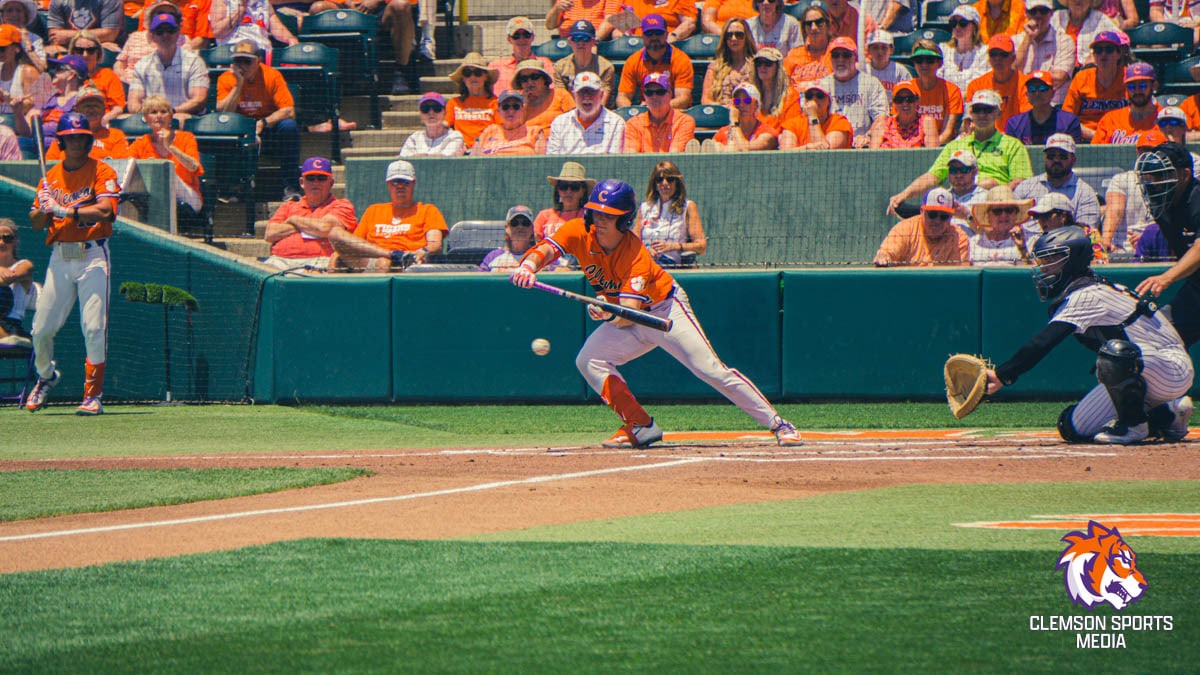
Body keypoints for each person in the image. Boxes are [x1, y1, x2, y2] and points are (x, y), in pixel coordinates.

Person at [509, 178, 802, 449]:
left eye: (607, 216)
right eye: (595, 214)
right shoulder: (577, 231)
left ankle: (778, 424)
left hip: (664, 311)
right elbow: (546, 249)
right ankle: (640, 425)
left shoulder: (636, 255)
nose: (599, 221)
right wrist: (528, 266)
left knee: (710, 369)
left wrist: (608, 314)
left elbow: (628, 315)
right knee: (589, 360)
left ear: (623, 221)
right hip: (625, 311)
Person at [985, 225, 1194, 444]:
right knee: (1072, 428)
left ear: (1072, 260)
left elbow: (1045, 341)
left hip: (1169, 367)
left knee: (1114, 355)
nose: (1044, 268)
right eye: (1043, 261)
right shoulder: (1087, 288)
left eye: (1051, 259)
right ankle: (1168, 416)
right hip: (1146, 369)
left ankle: (1135, 427)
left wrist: (1002, 375)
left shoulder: (1089, 294)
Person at [24, 112, 119, 415]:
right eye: (70, 137)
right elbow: (36, 221)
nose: (76, 141)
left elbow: (106, 211)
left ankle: (93, 395)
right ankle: (46, 376)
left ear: (89, 141)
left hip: (93, 254)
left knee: (93, 327)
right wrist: (46, 208)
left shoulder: (102, 170)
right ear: (62, 142)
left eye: (81, 136)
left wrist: (66, 212)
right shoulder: (50, 177)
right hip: (61, 256)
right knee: (40, 329)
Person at [887, 90, 1032, 215]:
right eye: (977, 109)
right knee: (938, 195)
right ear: (971, 113)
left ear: (998, 114)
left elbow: (1021, 181)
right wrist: (904, 195)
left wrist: (998, 190)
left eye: (987, 110)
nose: (981, 114)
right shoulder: (956, 145)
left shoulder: (1012, 145)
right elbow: (933, 176)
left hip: (994, 206)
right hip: (958, 199)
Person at [215, 39, 300, 200]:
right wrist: (238, 85)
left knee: (289, 127)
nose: (242, 66)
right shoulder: (226, 78)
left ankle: (291, 186)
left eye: (247, 61)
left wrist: (263, 123)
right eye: (238, 61)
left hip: (268, 127)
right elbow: (225, 115)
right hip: (240, 128)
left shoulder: (272, 75)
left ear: (258, 60)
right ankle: (233, 187)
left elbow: (289, 110)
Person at [1134, 143, 1200, 347]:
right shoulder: (1161, 204)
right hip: (1197, 290)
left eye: (1161, 176)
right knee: (1152, 336)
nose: (1153, 183)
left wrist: (1167, 277)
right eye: (1150, 177)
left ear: (1185, 175)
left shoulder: (1197, 198)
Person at [331, 159, 447, 272]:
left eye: (405, 182)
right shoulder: (373, 210)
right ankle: (392, 254)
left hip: (406, 264)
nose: (400, 186)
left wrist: (421, 252)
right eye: (395, 182)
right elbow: (356, 243)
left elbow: (435, 244)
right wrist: (390, 254)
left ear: (413, 183)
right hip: (370, 260)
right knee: (335, 239)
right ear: (388, 184)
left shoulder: (428, 210)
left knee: (384, 262)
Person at [261, 156, 357, 271]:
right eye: (310, 178)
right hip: (279, 260)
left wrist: (294, 220)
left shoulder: (341, 205)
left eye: (321, 178)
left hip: (319, 261)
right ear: (302, 182)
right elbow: (270, 234)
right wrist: (310, 226)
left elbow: (325, 228)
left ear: (331, 183)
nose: (316, 182)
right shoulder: (288, 206)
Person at [125, 94, 204, 225]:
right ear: (146, 118)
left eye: (163, 111)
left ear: (171, 116)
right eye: (153, 112)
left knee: (164, 170)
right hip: (153, 198)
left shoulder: (186, 137)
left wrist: (170, 146)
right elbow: (126, 169)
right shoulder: (141, 143)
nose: (159, 116)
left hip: (189, 198)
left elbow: (194, 166)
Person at [125, 11, 209, 117]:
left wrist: (170, 112)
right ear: (152, 36)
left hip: (182, 115)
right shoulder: (142, 64)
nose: (165, 35)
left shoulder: (194, 62)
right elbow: (133, 103)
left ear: (178, 32)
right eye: (159, 32)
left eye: (170, 30)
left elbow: (198, 100)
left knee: (180, 118)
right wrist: (153, 114)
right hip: (152, 118)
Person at [1013, 133, 1101, 231]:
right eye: (1051, 156)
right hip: (1024, 243)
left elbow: (1085, 232)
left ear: (1073, 160)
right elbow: (1010, 222)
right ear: (1045, 158)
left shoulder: (1085, 193)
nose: (1056, 160)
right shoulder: (1025, 187)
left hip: (1065, 244)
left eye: (1063, 156)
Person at [1103, 129, 1167, 256]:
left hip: (1159, 247)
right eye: (1144, 150)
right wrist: (1106, 240)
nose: (1148, 155)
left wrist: (1148, 238)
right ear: (1137, 152)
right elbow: (1114, 211)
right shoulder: (1121, 179)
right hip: (1124, 249)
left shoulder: (1170, 179)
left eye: (1154, 151)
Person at [634, 161, 706, 267]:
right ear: (654, 184)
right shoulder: (644, 208)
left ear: (677, 182)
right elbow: (633, 243)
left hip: (671, 266)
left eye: (670, 179)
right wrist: (646, 251)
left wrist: (673, 246)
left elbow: (701, 246)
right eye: (659, 180)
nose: (665, 183)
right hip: (645, 262)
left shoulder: (688, 207)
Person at [874, 187, 970, 266]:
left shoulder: (959, 238)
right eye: (932, 214)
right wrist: (883, 256)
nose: (937, 221)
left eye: (944, 216)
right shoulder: (906, 228)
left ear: (950, 217)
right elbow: (887, 253)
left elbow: (957, 279)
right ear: (922, 211)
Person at [615, 14, 694, 110]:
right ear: (642, 36)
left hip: (674, 114)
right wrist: (634, 113)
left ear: (666, 34)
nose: (654, 37)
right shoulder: (633, 61)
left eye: (658, 33)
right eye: (649, 34)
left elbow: (682, 100)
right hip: (644, 115)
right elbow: (622, 97)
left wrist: (655, 107)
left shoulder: (681, 60)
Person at [820, 36, 886, 147]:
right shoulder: (822, 85)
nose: (840, 60)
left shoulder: (871, 83)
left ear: (855, 58)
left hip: (861, 146)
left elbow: (881, 118)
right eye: (836, 55)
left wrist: (869, 136)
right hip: (831, 145)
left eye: (846, 55)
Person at [11, 54, 88, 149]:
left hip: (66, 148)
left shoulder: (83, 99)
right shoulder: (47, 99)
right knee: (18, 141)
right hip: (39, 146)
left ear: (71, 75)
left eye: (59, 68)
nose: (53, 72)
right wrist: (18, 113)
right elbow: (26, 132)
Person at [1062, 31, 1127, 142]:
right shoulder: (1081, 78)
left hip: (1121, 138)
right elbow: (1067, 118)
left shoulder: (1128, 77)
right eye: (1098, 50)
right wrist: (1096, 136)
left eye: (1109, 49)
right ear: (1093, 55)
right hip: (1085, 138)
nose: (1103, 54)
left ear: (1119, 54)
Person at [1013, 0, 1074, 106]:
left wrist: (1024, 81)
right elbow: (1012, 73)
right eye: (1033, 11)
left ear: (1051, 13)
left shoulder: (1064, 41)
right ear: (1026, 13)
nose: (1038, 15)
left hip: (1054, 106)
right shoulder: (1016, 41)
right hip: (1021, 105)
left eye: (1043, 11)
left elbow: (1059, 77)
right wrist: (1028, 38)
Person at [547, 71, 625, 154]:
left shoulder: (616, 123)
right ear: (573, 95)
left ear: (601, 94)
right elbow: (552, 160)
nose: (587, 97)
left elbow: (615, 162)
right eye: (582, 92)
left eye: (592, 92)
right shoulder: (560, 122)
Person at [965, 34, 1029, 131]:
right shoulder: (976, 85)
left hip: (1015, 137)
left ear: (1013, 58)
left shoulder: (1025, 83)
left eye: (1003, 55)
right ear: (988, 58)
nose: (998, 59)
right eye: (993, 54)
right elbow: (969, 122)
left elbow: (1025, 121)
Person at [45, 85, 128, 160]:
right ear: (76, 111)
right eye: (86, 106)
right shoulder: (64, 136)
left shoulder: (116, 136)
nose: (91, 110)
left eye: (96, 106)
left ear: (104, 110)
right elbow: (50, 166)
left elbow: (121, 166)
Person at [113, 1, 184, 84]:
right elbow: (120, 63)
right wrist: (122, 76)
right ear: (150, 17)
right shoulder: (135, 37)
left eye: (171, 14)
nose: (166, 16)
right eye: (160, 13)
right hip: (130, 84)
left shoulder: (182, 40)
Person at [623, 71, 695, 153]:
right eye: (649, 93)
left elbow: (675, 157)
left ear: (670, 94)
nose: (654, 97)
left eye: (660, 92)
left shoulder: (684, 122)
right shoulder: (633, 124)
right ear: (644, 96)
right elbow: (631, 157)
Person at [908, 39, 963, 145]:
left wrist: (929, 150)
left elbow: (948, 132)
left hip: (939, 147)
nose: (924, 65)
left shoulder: (952, 90)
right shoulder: (906, 90)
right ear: (914, 63)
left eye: (929, 60)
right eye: (919, 60)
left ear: (940, 63)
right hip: (910, 147)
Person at [1004, 70, 1082, 145]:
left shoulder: (1069, 121)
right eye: (1032, 89)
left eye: (1043, 89)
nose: (1037, 94)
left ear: (1053, 93)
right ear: (1026, 94)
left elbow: (1074, 155)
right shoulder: (1014, 124)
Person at [479, 205, 565, 272]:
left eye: (525, 223)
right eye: (515, 223)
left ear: (532, 229)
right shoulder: (493, 256)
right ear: (507, 227)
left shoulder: (541, 254)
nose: (520, 227)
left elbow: (564, 271)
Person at [1092, 62, 1161, 145]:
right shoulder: (1110, 120)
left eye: (1143, 85)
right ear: (1126, 89)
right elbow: (1096, 154)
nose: (1137, 91)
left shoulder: (1165, 119)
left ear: (1154, 86)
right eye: (1131, 87)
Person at [488, 17, 555, 98]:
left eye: (526, 35)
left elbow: (552, 91)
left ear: (532, 37)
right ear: (509, 39)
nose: (522, 39)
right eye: (516, 36)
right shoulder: (496, 66)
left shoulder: (545, 63)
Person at [444, 53, 498, 153]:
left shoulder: (496, 103)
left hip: (487, 150)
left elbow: (501, 130)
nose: (473, 77)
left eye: (477, 72)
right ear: (463, 79)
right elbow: (444, 126)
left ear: (485, 76)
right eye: (467, 73)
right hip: (459, 150)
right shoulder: (454, 103)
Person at [703, 81, 778, 151]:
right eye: (737, 101)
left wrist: (734, 123)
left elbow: (745, 150)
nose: (741, 105)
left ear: (756, 105)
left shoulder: (767, 133)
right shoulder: (723, 132)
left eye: (747, 101)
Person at [67, 31, 124, 123]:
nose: (85, 55)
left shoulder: (108, 75)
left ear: (98, 53)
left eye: (90, 50)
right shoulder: (65, 75)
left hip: (100, 122)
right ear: (73, 52)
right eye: (79, 50)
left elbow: (117, 108)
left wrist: (101, 122)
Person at [967, 184, 1030, 265]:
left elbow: (1036, 273)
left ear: (1016, 214)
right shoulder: (974, 243)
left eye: (1009, 210)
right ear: (988, 216)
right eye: (997, 211)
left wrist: (1023, 249)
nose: (1003, 215)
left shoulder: (1028, 240)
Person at [551, 19, 616, 97]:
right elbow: (562, 98)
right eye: (576, 38)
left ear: (594, 42)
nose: (581, 43)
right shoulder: (560, 67)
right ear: (570, 42)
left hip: (597, 107)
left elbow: (602, 99)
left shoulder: (605, 67)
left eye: (586, 39)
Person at [473, 89, 548, 156]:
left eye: (516, 107)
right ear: (499, 110)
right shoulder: (490, 131)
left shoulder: (534, 132)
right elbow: (472, 159)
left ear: (522, 109)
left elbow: (541, 163)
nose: (511, 111)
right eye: (505, 107)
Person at [779, 80, 851, 149]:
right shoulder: (793, 123)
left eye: (819, 96)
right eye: (809, 96)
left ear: (829, 101)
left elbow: (824, 154)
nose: (814, 99)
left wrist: (812, 116)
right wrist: (807, 148)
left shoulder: (839, 122)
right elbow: (785, 154)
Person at [208, 0, 298, 55]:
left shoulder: (263, 1)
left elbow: (276, 27)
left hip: (261, 52)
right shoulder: (221, 1)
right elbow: (218, 32)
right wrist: (241, 9)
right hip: (233, 53)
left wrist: (291, 39)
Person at [702, 17, 757, 106]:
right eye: (729, 35)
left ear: (747, 37)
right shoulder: (714, 67)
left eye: (739, 35)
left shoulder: (757, 66)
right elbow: (705, 100)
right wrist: (724, 108)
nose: (733, 38)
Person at [868, 79, 938, 148]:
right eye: (899, 100)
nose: (905, 103)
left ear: (917, 101)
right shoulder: (883, 125)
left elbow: (933, 154)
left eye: (909, 99)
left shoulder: (926, 123)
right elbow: (873, 156)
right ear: (894, 103)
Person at [536, 160, 594, 244]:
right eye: (564, 186)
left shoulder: (589, 216)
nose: (568, 191)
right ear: (558, 190)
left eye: (574, 187)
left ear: (583, 191)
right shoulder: (544, 215)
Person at [782, 2, 833, 93]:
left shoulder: (836, 53)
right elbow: (784, 85)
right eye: (809, 24)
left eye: (819, 22)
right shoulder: (794, 54)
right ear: (804, 29)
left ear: (828, 25)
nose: (813, 27)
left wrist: (809, 85)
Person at [1051, 0, 1119, 67]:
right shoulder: (1057, 17)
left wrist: (1095, 55)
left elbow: (1122, 39)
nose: (1078, 1)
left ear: (1091, 1)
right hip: (1058, 69)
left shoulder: (1100, 19)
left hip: (1088, 71)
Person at [514, 59, 574, 134]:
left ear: (544, 79)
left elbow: (575, 120)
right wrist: (523, 104)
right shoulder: (517, 102)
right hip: (530, 143)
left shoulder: (560, 94)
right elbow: (514, 129)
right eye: (524, 79)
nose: (529, 82)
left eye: (534, 77)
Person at [939, 5, 987, 95]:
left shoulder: (984, 52)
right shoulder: (943, 50)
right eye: (954, 23)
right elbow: (937, 81)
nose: (957, 27)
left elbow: (981, 85)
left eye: (963, 23)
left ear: (974, 27)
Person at [399, 91, 465, 157]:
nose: (431, 112)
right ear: (420, 114)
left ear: (445, 112)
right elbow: (403, 159)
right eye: (425, 108)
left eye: (436, 108)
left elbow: (444, 159)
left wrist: (418, 156)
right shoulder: (414, 138)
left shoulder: (454, 137)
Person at [0, 218, 34, 344]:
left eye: (7, 238)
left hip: (10, 326)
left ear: (15, 241)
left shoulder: (24, 265)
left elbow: (6, 280)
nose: (2, 242)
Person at [46, 0, 124, 53]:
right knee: (51, 51)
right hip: (68, 47)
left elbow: (110, 34)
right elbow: (55, 37)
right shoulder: (58, 1)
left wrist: (69, 35)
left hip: (98, 47)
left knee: (104, 51)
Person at [599, 0, 697, 42]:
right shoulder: (632, 1)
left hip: (667, 46)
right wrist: (621, 35)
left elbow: (689, 23)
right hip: (637, 48)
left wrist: (673, 36)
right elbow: (620, 29)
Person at [0, 23, 42, 117]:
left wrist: (8, 98)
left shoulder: (28, 72)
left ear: (16, 49)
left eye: (2, 49)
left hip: (19, 123)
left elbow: (32, 106)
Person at [750, 46, 796, 125]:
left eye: (768, 63)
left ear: (778, 67)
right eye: (759, 63)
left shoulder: (791, 96)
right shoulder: (750, 94)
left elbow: (791, 126)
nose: (762, 67)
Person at [1, 0, 47, 72]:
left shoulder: (34, 39)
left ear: (25, 16)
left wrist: (27, 44)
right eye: (9, 10)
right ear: (3, 16)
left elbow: (42, 69)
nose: (14, 14)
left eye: (18, 10)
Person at [864, 29, 911, 98]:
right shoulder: (863, 70)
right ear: (868, 50)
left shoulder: (900, 72)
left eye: (884, 48)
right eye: (875, 48)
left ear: (891, 50)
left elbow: (909, 97)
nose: (880, 52)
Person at [545, 0, 621, 38]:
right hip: (568, 41)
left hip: (593, 42)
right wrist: (557, 9)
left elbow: (609, 20)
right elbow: (550, 26)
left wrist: (593, 40)